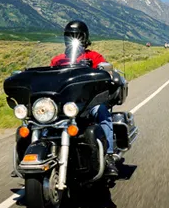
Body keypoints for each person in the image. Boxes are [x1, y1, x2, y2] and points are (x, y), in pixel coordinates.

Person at [50, 20, 118, 178]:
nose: (73, 40)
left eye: (77, 36)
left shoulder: (93, 56)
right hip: (63, 105)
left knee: (102, 112)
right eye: (70, 37)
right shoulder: (57, 60)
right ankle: (28, 154)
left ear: (85, 38)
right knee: (36, 119)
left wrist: (107, 71)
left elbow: (105, 70)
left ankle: (108, 157)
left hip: (87, 103)